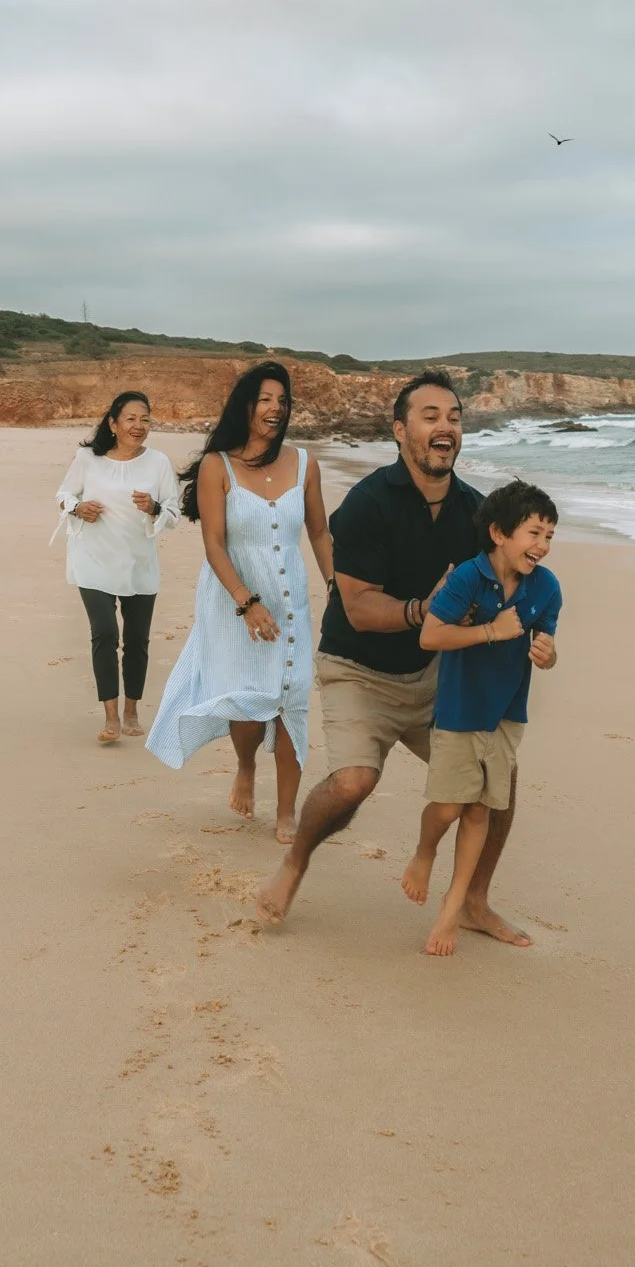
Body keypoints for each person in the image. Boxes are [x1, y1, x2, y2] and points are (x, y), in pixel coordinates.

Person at [255, 372, 529, 947]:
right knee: (355, 781)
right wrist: (422, 611)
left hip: (435, 676)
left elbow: (503, 590)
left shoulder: (478, 515)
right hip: (359, 668)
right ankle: (297, 861)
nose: (444, 428)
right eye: (430, 417)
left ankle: (475, 901)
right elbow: (355, 607)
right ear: (400, 430)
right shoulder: (369, 503)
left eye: (453, 417)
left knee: (494, 776)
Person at [145, 362, 333, 843]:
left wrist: (336, 586)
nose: (276, 409)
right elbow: (214, 544)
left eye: (282, 400)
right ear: (245, 406)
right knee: (249, 703)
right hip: (233, 597)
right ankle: (246, 765)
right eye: (265, 399)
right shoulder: (217, 466)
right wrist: (247, 603)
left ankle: (287, 809)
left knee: (291, 697)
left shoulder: (305, 463)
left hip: (289, 597)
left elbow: (318, 531)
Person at [403, 480, 561, 955]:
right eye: (534, 533)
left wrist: (548, 654)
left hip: (508, 714)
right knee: (449, 808)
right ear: (498, 532)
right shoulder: (467, 578)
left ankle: (452, 913)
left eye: (550, 536)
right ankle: (424, 851)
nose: (543, 546)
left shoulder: (547, 587)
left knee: (480, 813)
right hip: (458, 710)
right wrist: (491, 631)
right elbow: (430, 637)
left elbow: (547, 649)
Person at [55, 391, 180, 744]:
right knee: (105, 633)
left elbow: (174, 513)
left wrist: (154, 507)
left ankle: (131, 709)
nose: (138, 426)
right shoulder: (87, 459)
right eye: (130, 419)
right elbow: (63, 495)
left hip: (139, 563)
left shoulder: (158, 463)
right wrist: (78, 508)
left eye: (145, 419)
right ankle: (111, 716)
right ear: (113, 423)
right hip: (93, 560)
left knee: (137, 639)